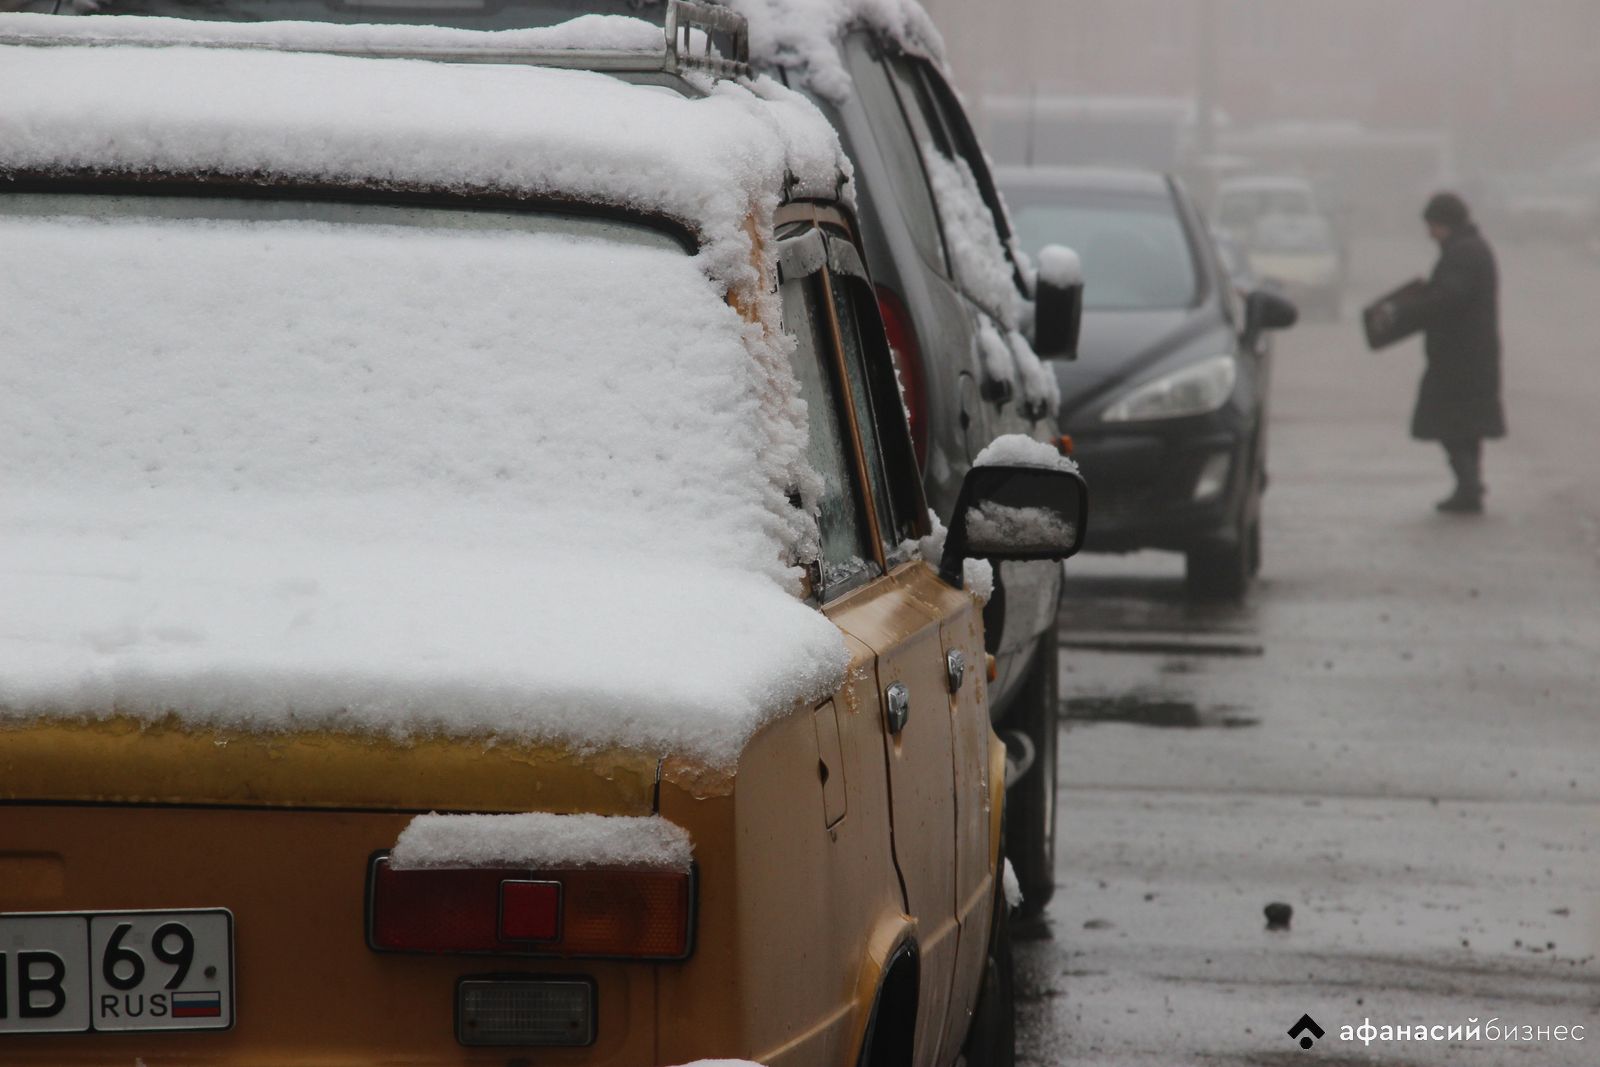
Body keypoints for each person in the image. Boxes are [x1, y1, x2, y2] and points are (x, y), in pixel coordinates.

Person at [1410, 192, 1505, 514]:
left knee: (1449, 423)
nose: (1429, 233)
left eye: (1432, 225)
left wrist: (1418, 305)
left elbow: (1450, 297)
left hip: (1459, 358)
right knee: (1467, 426)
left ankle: (1469, 485)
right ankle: (1469, 486)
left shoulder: (1462, 254)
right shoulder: (1471, 248)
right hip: (1473, 355)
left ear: (1444, 222)